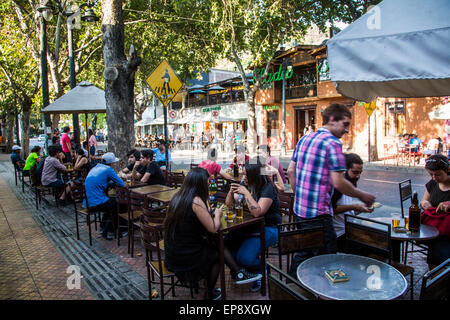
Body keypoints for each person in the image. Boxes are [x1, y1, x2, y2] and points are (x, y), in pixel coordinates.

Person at [287, 104, 375, 275]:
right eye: (345, 124)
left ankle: (290, 289)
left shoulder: (305, 138)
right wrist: (362, 195)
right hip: (319, 214)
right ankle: (322, 291)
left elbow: (291, 171)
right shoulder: (333, 143)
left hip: (300, 211)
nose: (347, 130)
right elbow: (339, 183)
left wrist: (300, 196)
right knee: (327, 259)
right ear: (332, 120)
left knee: (305, 253)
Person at [164, 167, 261, 300]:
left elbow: (191, 220)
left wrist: (207, 211)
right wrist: (218, 214)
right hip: (184, 257)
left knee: (216, 242)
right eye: (207, 181)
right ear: (200, 183)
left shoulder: (178, 197)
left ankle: (238, 272)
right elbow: (214, 228)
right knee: (217, 254)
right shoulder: (196, 201)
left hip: (173, 252)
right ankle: (210, 293)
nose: (209, 184)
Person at [225, 161, 281, 292]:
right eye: (243, 174)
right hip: (249, 227)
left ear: (255, 175)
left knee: (244, 257)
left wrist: (246, 193)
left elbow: (257, 212)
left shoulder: (268, 188)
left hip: (269, 228)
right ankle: (242, 272)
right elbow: (229, 205)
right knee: (226, 245)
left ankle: (261, 270)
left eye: (246, 175)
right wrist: (230, 192)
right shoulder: (246, 183)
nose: (243, 178)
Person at [331, 153, 374, 251]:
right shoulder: (338, 187)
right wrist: (354, 206)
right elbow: (331, 210)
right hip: (340, 234)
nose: (358, 176)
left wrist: (360, 209)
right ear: (344, 171)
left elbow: (347, 211)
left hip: (349, 229)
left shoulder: (350, 185)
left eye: (360, 173)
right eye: (355, 172)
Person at [84, 152, 125, 240]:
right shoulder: (108, 169)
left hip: (87, 201)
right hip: (97, 202)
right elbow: (121, 183)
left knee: (110, 202)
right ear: (111, 163)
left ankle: (103, 226)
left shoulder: (95, 167)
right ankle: (110, 230)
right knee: (118, 204)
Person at [419, 154, 450, 269]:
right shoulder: (432, 183)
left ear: (447, 170)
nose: (434, 178)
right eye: (431, 174)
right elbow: (423, 201)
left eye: (438, 174)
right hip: (433, 230)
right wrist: (425, 204)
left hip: (446, 234)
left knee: (440, 250)